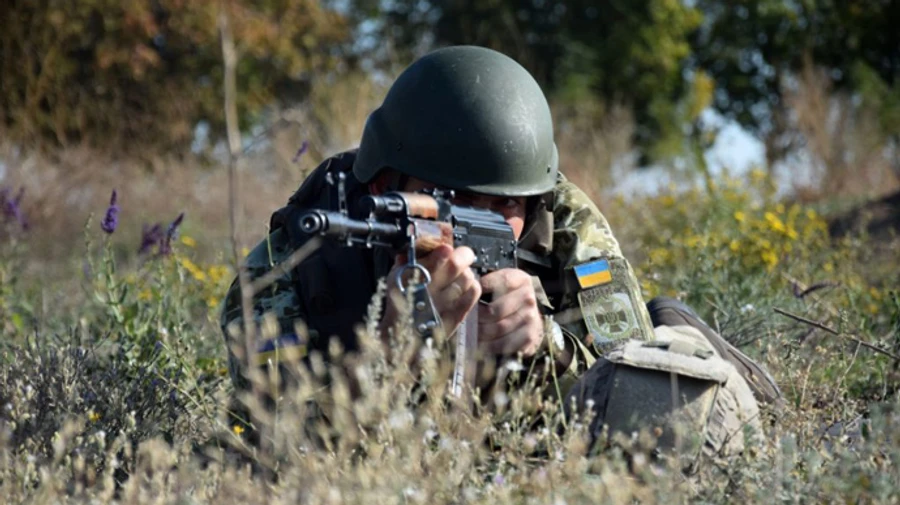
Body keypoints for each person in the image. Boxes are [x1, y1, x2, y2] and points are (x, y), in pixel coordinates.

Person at [220, 45, 781, 467]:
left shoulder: (566, 224)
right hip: (395, 462)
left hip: (538, 444)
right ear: (389, 182)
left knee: (667, 385)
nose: (475, 220)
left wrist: (546, 347)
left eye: (505, 203)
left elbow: (624, 371)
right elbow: (270, 444)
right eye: (453, 198)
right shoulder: (291, 265)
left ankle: (704, 351)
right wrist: (386, 354)